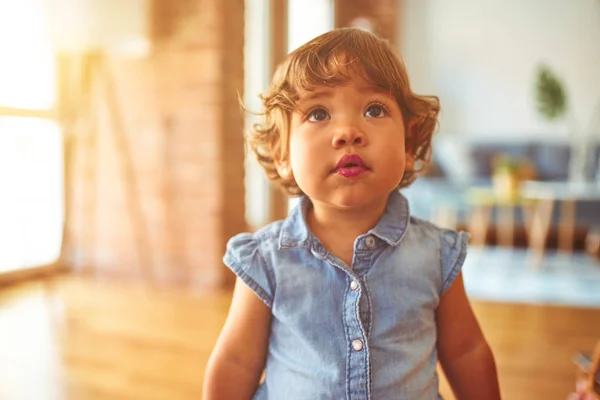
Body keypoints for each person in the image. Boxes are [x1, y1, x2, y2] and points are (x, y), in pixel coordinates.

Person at [203, 28, 500, 400]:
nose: (347, 132)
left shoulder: (436, 254)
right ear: (282, 155)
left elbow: (466, 351)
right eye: (318, 113)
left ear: (409, 145)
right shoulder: (265, 259)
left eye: (374, 109)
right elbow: (236, 362)